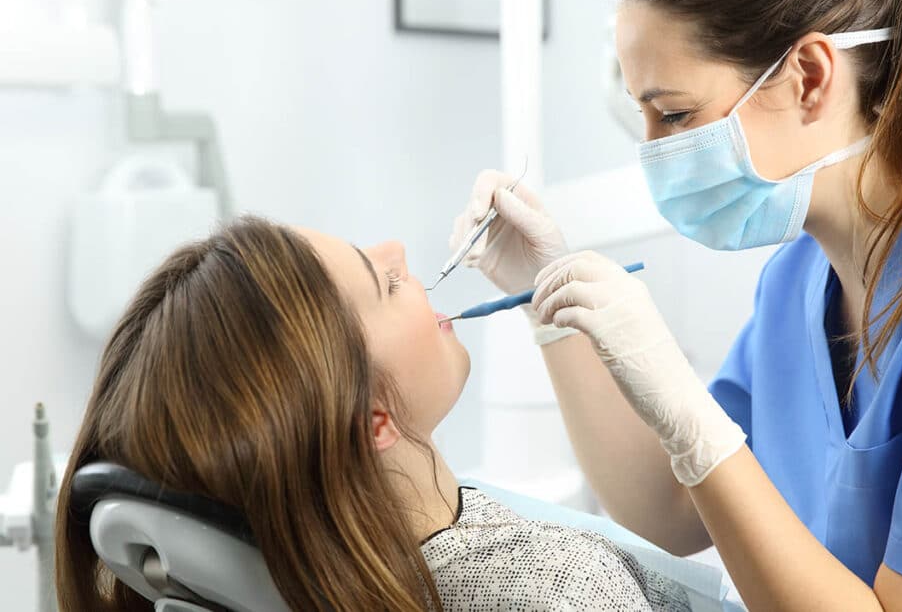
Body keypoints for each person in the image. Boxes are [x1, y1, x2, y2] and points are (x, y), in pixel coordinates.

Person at [449, 0, 902, 609]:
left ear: (810, 78)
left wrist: (693, 413)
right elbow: (666, 505)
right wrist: (549, 298)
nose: (653, 152)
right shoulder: (798, 278)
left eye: (674, 113)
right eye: (642, 114)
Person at [54, 216, 700, 611]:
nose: (397, 250)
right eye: (383, 282)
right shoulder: (553, 589)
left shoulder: (335, 579)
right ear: (372, 423)